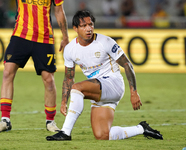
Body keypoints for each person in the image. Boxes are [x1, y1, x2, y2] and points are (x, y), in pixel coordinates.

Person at [46, 10, 163, 141]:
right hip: (98, 91)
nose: (89, 28)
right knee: (102, 135)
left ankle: (65, 132)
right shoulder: (70, 49)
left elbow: (127, 65)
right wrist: (63, 102)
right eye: (84, 26)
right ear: (75, 28)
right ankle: (142, 128)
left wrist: (134, 92)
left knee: (77, 88)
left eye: (91, 24)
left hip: (113, 84)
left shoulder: (105, 42)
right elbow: (68, 77)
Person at [0, 0, 69, 132]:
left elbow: (59, 10)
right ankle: (5, 119)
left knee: (49, 80)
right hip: (20, 34)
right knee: (7, 72)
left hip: (44, 38)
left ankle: (50, 122)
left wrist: (65, 37)